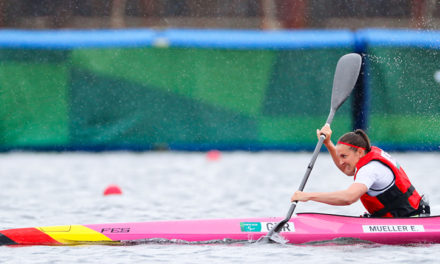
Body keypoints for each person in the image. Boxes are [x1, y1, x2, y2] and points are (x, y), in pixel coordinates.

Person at [290, 124, 430, 217]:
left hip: (410, 221)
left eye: (344, 156)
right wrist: (328, 144)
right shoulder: (369, 155)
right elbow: (347, 170)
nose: (341, 161)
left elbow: (348, 198)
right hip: (406, 216)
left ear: (359, 152)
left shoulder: (370, 169)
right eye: (340, 157)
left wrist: (307, 196)